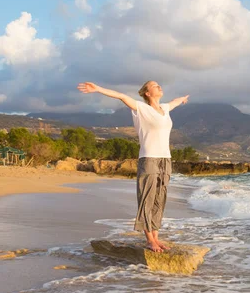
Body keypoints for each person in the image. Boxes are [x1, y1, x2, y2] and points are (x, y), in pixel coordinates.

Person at [77, 81, 189, 252]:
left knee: (160, 198)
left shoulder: (165, 109)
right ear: (147, 93)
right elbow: (121, 96)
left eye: (159, 84)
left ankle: (156, 238)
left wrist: (182, 99)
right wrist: (98, 89)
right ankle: (149, 240)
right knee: (147, 198)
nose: (159, 86)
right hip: (149, 159)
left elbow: (174, 101)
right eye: (154, 85)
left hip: (165, 159)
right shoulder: (141, 109)